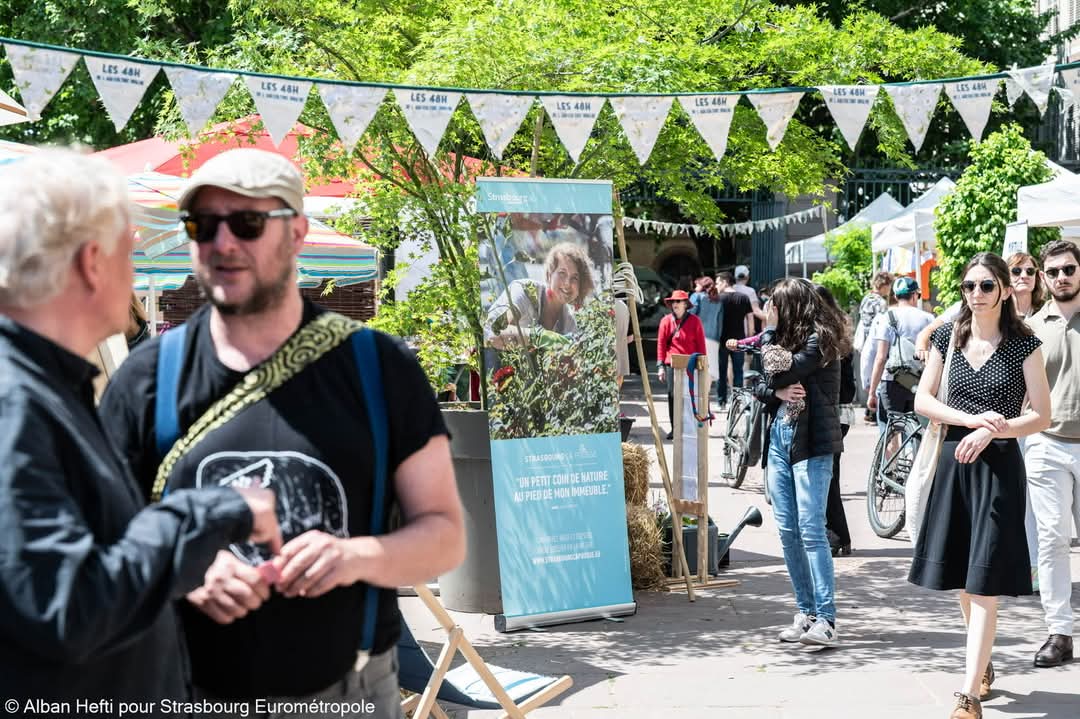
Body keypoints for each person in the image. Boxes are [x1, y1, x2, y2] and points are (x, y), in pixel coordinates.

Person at [99, 148, 465, 714]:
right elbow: (98, 536)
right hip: (185, 690)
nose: (222, 243)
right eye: (203, 225)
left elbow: (445, 535)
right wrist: (182, 569)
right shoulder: (148, 379)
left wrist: (356, 557)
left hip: (351, 693)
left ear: (296, 232)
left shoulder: (377, 368)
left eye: (246, 223)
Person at [0, 148, 281, 708]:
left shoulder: (46, 391)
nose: (137, 270)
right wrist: (212, 512)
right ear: (92, 262)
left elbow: (99, 565)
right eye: (131, 248)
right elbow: (67, 606)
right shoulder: (15, 404)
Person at [909, 252, 1051, 719]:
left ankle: (968, 694)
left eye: (986, 286)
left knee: (984, 580)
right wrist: (970, 420)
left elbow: (1041, 416)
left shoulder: (1023, 344)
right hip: (954, 462)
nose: (976, 294)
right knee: (965, 584)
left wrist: (993, 429)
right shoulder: (948, 337)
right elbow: (923, 400)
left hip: (999, 468)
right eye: (969, 286)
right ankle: (982, 662)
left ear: (1006, 291)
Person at [753, 278, 850, 648]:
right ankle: (805, 612)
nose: (770, 310)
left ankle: (826, 618)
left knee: (811, 528)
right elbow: (763, 383)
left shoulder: (820, 340)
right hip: (779, 438)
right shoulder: (786, 342)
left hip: (812, 443)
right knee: (788, 530)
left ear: (791, 305)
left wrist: (768, 336)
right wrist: (776, 391)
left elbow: (779, 371)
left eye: (775, 304)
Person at [1024, 240, 1080, 669]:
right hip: (1046, 444)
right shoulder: (1031, 328)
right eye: (1054, 271)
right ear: (1044, 277)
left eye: (1069, 269)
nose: (1062, 277)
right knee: (1051, 538)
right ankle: (1059, 632)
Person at [485, 241, 595, 349]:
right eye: (562, 273)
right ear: (549, 275)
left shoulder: (568, 323)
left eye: (575, 278)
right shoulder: (525, 291)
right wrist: (539, 336)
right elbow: (495, 334)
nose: (567, 283)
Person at [814, 284, 856, 558]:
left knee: (826, 478)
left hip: (829, 411)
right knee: (831, 476)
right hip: (843, 413)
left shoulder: (822, 336)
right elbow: (850, 387)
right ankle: (839, 535)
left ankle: (835, 535)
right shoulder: (841, 331)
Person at [866, 276, 934, 432]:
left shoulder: (887, 318)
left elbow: (880, 357)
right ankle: (916, 455)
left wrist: (872, 392)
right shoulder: (928, 318)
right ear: (916, 295)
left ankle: (891, 456)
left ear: (896, 296)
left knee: (891, 430)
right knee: (919, 429)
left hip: (891, 380)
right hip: (919, 381)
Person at [657, 289, 707, 440]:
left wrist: (703, 364)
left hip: (691, 364)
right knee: (673, 396)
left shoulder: (695, 321)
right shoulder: (666, 321)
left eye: (678, 301)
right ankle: (675, 428)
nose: (675, 304)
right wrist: (660, 367)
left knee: (690, 396)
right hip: (672, 364)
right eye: (673, 301)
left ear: (686, 304)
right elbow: (661, 344)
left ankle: (689, 428)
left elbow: (701, 345)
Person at [715, 272, 753, 406]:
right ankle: (737, 399)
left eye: (718, 282)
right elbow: (750, 319)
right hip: (739, 340)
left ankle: (721, 401)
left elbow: (715, 320)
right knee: (738, 371)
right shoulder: (743, 298)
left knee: (721, 370)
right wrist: (750, 338)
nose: (716, 285)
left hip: (721, 340)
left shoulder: (718, 298)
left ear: (725, 282)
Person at [690, 276, 723, 397]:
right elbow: (720, 322)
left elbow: (690, 315)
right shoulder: (717, 300)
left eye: (697, 285)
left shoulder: (696, 297)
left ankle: (697, 397)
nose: (695, 287)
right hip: (713, 338)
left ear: (702, 286)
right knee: (709, 370)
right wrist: (718, 338)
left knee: (696, 368)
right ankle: (705, 397)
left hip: (697, 337)